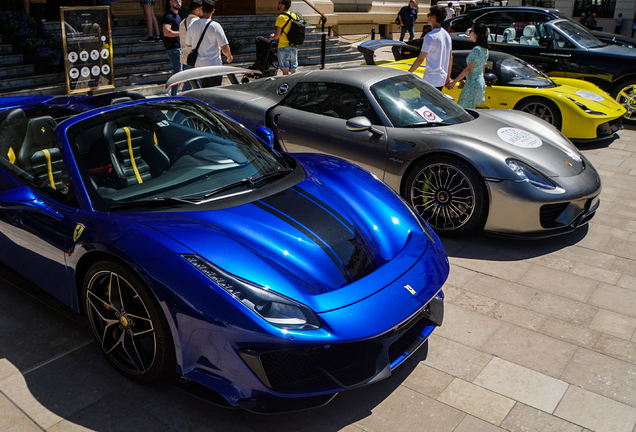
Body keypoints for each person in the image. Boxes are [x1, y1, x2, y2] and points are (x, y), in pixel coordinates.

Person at [185, 0, 233, 87]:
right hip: (214, 65)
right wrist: (229, 56)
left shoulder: (192, 25)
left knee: (205, 90)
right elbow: (224, 47)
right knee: (215, 91)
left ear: (201, 9)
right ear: (213, 11)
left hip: (199, 66)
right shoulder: (215, 26)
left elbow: (188, 44)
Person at [408, 5, 453, 90]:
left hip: (431, 79)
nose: (428, 17)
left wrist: (409, 73)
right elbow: (450, 58)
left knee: (425, 103)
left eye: (429, 15)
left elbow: (420, 59)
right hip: (442, 79)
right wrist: (448, 77)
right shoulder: (447, 35)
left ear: (433, 17)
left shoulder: (430, 36)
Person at [447, 22, 489, 109]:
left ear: (477, 34)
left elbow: (468, 69)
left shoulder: (476, 49)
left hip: (472, 84)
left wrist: (454, 82)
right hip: (479, 82)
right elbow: (482, 69)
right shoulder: (485, 50)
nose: (469, 33)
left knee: (463, 109)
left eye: (471, 31)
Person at [269, 0, 300, 75]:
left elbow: (277, 35)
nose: (278, 4)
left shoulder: (281, 17)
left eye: (279, 2)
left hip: (283, 46)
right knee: (293, 69)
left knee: (285, 69)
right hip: (294, 45)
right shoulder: (294, 16)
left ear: (283, 5)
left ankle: (286, 84)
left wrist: (272, 37)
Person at [163, 0, 182, 95]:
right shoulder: (169, 16)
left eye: (180, 0)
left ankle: (179, 94)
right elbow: (166, 32)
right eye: (176, 1)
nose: (178, 3)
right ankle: (173, 95)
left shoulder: (177, 16)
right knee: (178, 74)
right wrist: (182, 33)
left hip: (179, 48)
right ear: (170, 2)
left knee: (182, 73)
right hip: (174, 49)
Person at [180, 0, 202, 72]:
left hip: (185, 57)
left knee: (188, 81)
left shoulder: (182, 22)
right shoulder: (197, 22)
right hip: (196, 58)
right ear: (197, 9)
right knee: (197, 81)